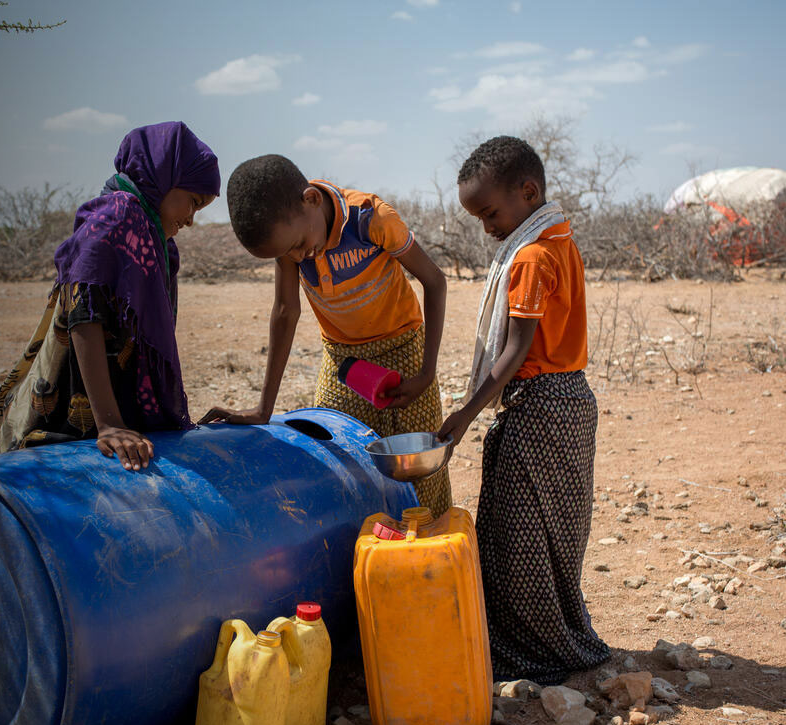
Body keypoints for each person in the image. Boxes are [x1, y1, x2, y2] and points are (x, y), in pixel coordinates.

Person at [438, 135, 608, 683]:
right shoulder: (559, 240)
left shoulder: (532, 257)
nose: (486, 227)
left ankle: (531, 650)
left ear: (527, 191)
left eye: (489, 212)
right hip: (570, 400)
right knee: (550, 530)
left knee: (519, 534)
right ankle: (555, 638)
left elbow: (513, 352)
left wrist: (463, 415)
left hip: (541, 405)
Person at [201, 155, 452, 514]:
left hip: (404, 350)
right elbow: (286, 311)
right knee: (342, 467)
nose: (299, 256)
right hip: (344, 362)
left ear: (312, 200)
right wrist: (263, 409)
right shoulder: (290, 239)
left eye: (299, 244)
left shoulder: (371, 219)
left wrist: (426, 373)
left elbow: (434, 281)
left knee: (418, 472)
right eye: (287, 254)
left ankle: (433, 561)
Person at [0, 122, 219, 470]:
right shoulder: (117, 217)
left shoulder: (153, 240)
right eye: (193, 202)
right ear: (163, 177)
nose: (190, 219)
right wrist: (108, 423)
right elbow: (84, 313)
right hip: (79, 411)